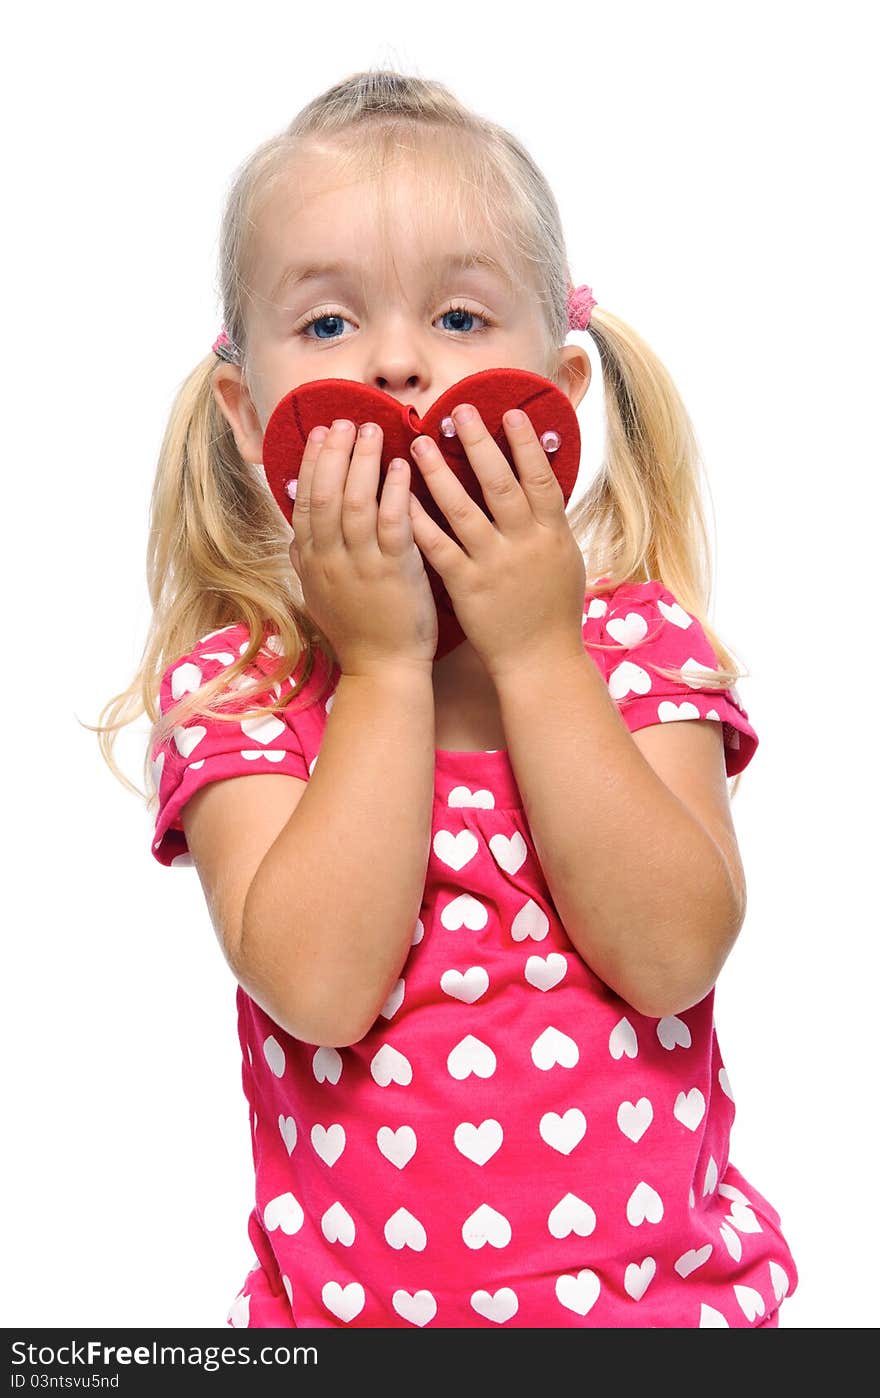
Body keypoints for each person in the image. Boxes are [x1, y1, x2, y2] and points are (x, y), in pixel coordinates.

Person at [95, 67, 798, 1328]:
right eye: (327, 327)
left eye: (464, 318)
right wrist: (376, 669)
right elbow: (316, 985)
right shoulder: (241, 695)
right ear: (249, 413)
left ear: (561, 396)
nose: (401, 360)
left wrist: (537, 654)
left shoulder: (634, 647)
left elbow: (674, 953)